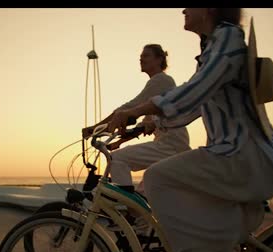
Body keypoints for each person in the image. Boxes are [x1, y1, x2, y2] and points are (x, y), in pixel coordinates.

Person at [108, 8, 273, 252]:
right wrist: (151, 123)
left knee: (157, 178)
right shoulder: (214, 47)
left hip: (238, 153)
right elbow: (194, 105)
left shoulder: (228, 39)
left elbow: (193, 91)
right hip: (231, 154)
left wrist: (134, 112)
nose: (184, 10)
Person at [82, 44, 191, 195]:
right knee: (143, 194)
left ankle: (122, 205)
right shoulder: (157, 87)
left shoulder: (161, 80)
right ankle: (134, 216)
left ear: (159, 59)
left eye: (146, 55)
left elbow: (130, 107)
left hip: (170, 146)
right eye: (140, 56)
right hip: (170, 146)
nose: (141, 59)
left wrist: (94, 128)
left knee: (116, 159)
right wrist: (118, 142)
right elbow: (144, 123)